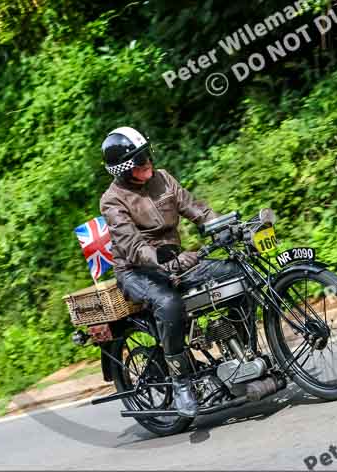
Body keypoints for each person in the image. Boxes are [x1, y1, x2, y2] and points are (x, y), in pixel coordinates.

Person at [99, 126, 240, 417]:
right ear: (124, 169)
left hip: (176, 261)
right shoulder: (112, 200)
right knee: (169, 303)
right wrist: (163, 261)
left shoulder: (163, 179)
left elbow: (196, 209)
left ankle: (243, 353)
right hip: (137, 271)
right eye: (139, 161)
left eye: (147, 155)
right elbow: (134, 246)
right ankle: (181, 383)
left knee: (236, 275)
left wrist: (223, 226)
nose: (147, 162)